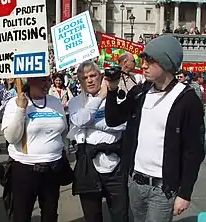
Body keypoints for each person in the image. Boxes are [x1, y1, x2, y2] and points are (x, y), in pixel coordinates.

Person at [104, 35, 205, 222]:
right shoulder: (141, 92)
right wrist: (111, 91)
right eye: (143, 60)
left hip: (162, 188)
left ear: (166, 63)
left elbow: (195, 151)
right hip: (135, 182)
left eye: (150, 61)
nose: (143, 65)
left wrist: (185, 193)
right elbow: (113, 119)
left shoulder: (188, 100)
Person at [1, 76, 69, 222]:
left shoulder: (55, 102)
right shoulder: (14, 103)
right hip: (24, 169)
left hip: (52, 169)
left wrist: (62, 149)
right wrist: (21, 109)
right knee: (21, 215)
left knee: (50, 215)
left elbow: (63, 129)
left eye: (48, 80)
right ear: (30, 81)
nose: (47, 84)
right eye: (42, 80)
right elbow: (11, 138)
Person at [68, 61, 128, 222]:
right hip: (88, 165)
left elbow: (121, 124)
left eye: (93, 75)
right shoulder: (75, 102)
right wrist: (101, 96)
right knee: (92, 216)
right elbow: (80, 120)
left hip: (115, 164)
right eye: (84, 77)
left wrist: (90, 121)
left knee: (120, 215)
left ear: (101, 76)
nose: (89, 80)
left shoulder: (118, 96)